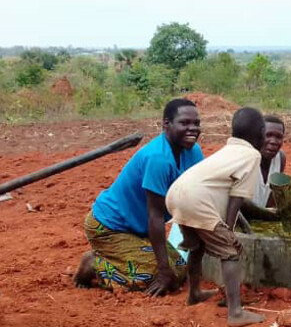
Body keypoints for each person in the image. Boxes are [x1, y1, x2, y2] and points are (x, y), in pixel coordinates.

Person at [74, 98, 204, 296]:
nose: (192, 128)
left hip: (139, 228)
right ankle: (95, 264)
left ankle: (124, 257)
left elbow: (193, 198)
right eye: (184, 123)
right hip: (110, 227)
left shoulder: (193, 152)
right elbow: (156, 215)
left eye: (196, 123)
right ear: (166, 124)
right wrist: (162, 271)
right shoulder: (158, 158)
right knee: (153, 278)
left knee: (179, 270)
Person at [166, 107, 266, 327]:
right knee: (230, 252)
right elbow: (237, 198)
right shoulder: (252, 155)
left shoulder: (230, 149)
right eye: (265, 133)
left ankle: (194, 294)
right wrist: (228, 232)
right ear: (259, 133)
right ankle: (236, 312)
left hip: (177, 194)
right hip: (196, 200)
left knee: (196, 247)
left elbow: (225, 192)